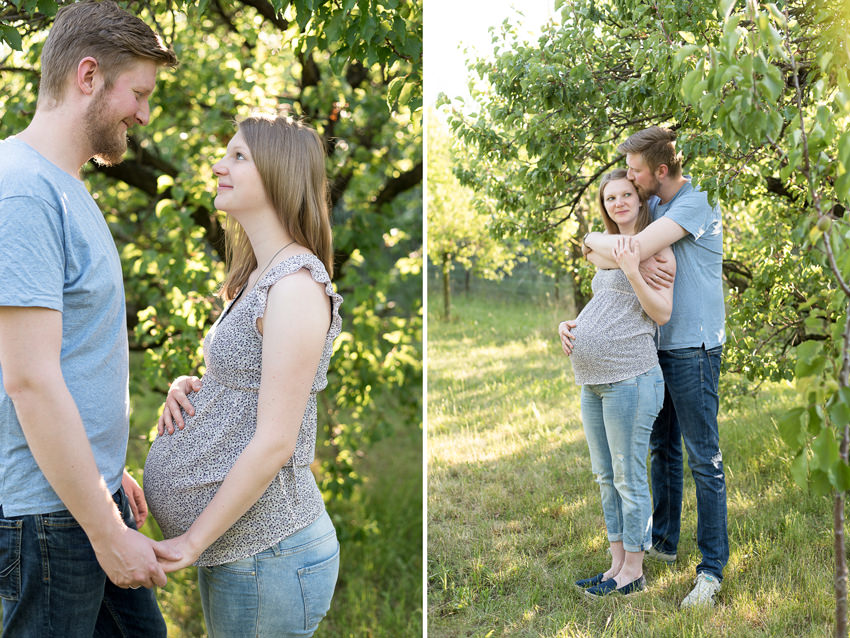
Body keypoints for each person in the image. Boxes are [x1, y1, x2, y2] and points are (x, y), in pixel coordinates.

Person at [0, 2, 179, 636]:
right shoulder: (23, 190)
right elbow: (29, 380)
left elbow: (70, 356)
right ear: (87, 76)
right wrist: (105, 531)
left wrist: (106, 469)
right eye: (139, 93)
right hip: (51, 522)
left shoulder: (65, 187)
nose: (144, 115)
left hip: (84, 502)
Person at [142, 113, 342, 637]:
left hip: (269, 552)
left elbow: (277, 441)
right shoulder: (259, 275)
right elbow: (252, 384)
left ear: (278, 173)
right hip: (243, 551)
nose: (217, 165)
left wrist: (191, 541)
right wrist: (195, 387)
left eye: (238, 157)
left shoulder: (296, 286)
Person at [577, 126, 727, 607]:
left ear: (659, 171)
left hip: (693, 345)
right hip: (653, 348)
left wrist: (614, 252)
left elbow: (629, 251)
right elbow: (602, 252)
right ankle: (661, 541)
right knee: (662, 451)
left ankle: (711, 569)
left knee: (703, 458)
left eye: (635, 172)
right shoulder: (655, 205)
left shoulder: (694, 201)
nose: (630, 180)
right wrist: (590, 240)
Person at [560, 169, 675, 597]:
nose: (618, 203)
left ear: (641, 200)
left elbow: (660, 313)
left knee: (629, 476)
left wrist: (634, 270)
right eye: (610, 199)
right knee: (605, 475)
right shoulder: (603, 248)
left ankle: (635, 571)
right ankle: (615, 565)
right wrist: (570, 325)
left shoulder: (659, 251)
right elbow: (604, 301)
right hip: (592, 379)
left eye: (626, 194)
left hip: (632, 377)